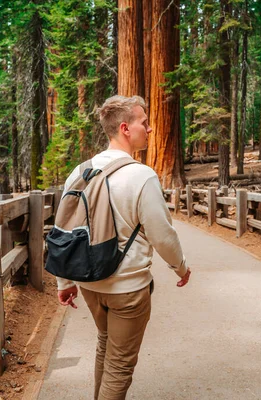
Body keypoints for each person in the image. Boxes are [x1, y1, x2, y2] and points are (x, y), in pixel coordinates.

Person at [56, 95, 191, 400]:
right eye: (144, 122)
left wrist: (64, 282)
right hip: (128, 289)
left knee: (106, 345)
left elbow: (62, 229)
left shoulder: (79, 172)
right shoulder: (141, 176)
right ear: (125, 128)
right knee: (119, 366)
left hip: (90, 283)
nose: (150, 129)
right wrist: (181, 267)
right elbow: (163, 235)